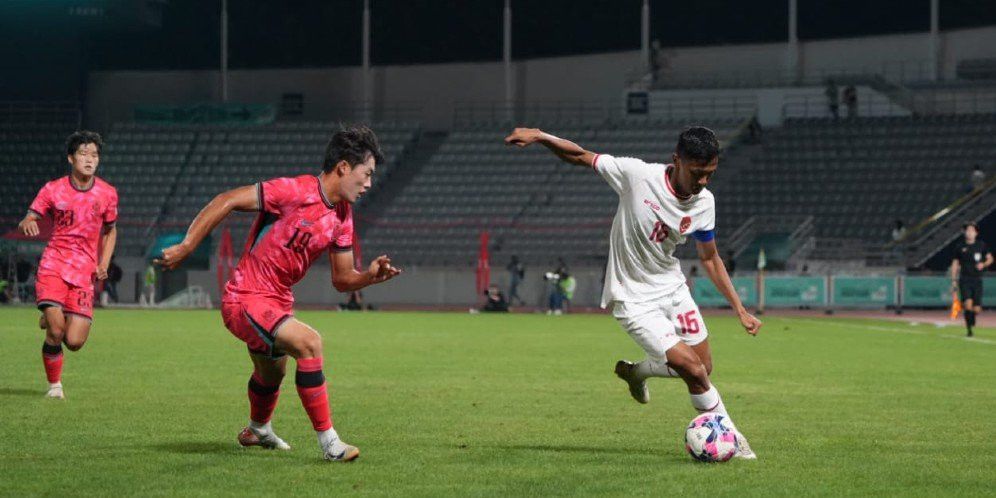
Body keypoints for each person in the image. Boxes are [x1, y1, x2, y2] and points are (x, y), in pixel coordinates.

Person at [505, 125, 762, 459]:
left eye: (709, 174)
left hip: (672, 288)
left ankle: (636, 371)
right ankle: (733, 438)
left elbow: (710, 258)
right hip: (633, 297)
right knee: (694, 373)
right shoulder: (637, 176)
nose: (702, 182)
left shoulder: (704, 202)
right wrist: (541, 137)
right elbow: (581, 155)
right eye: (697, 173)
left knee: (704, 367)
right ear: (677, 160)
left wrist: (739, 309)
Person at [155, 125, 401, 462]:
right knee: (310, 343)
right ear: (344, 167)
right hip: (246, 296)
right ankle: (330, 443)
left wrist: (369, 277)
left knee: (272, 373)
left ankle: (257, 429)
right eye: (367, 173)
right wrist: (186, 246)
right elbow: (226, 200)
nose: (370, 183)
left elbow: (343, 280)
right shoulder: (293, 191)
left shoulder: (343, 217)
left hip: (276, 299)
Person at [17, 130, 118, 400]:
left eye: (94, 155)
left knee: (73, 342)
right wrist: (29, 221)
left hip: (84, 271)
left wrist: (103, 262)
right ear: (71, 158)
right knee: (57, 332)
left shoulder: (107, 194)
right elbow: (30, 215)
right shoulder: (53, 189)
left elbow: (110, 230)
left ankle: (50, 313)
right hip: (54, 264)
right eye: (84, 154)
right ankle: (55, 386)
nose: (89, 159)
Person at [950, 222, 992, 337]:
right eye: (967, 230)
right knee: (968, 304)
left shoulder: (981, 245)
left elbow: (990, 258)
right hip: (964, 279)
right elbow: (955, 263)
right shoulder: (960, 247)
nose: (969, 232)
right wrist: (953, 279)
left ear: (976, 233)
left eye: (971, 230)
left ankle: (971, 318)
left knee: (977, 309)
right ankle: (969, 330)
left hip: (977, 279)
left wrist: (983, 264)